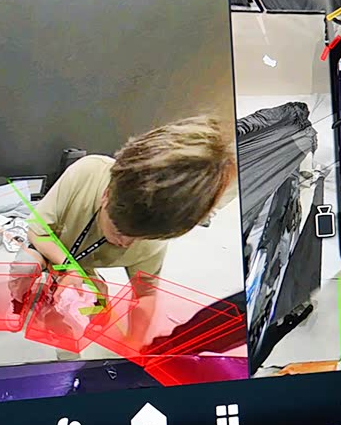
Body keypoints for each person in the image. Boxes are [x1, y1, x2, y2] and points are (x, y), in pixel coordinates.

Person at [24, 117, 236, 337]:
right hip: (50, 247)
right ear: (106, 195)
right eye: (119, 231)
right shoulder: (86, 173)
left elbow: (145, 295)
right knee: (25, 268)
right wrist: (69, 269)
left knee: (91, 311)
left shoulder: (154, 237)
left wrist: (135, 342)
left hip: (82, 267)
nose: (125, 243)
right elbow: (37, 231)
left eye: (139, 238)